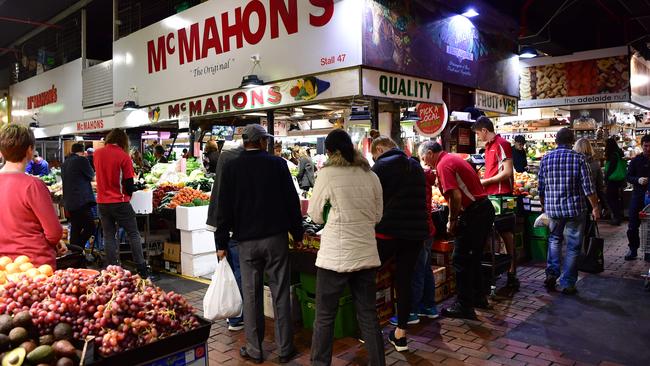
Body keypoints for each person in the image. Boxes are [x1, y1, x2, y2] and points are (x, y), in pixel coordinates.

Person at [214, 124, 302, 364]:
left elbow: (223, 208)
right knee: (280, 292)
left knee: (251, 295)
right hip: (275, 239)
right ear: (262, 141)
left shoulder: (232, 167)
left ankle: (255, 349)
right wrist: (298, 232)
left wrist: (220, 242)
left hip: (246, 241)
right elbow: (291, 202)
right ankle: (285, 349)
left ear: (245, 142)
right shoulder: (278, 164)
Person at [308, 129, 385, 366]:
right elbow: (378, 215)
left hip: (335, 258)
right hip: (366, 254)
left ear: (330, 152)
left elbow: (315, 215)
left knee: (324, 317)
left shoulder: (327, 174)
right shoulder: (370, 174)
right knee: (368, 316)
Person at [421, 141, 495, 319]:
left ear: (430, 153)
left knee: (461, 259)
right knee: (474, 257)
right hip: (482, 209)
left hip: (474, 213)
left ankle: (464, 305)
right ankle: (478, 298)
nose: (425, 163)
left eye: (424, 158)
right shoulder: (452, 159)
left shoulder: (444, 164)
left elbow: (455, 195)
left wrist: (451, 220)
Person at [371, 136, 429, 352]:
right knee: (404, 281)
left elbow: (371, 199)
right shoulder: (415, 165)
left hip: (388, 232)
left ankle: (368, 329)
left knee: (368, 276)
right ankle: (401, 334)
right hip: (414, 235)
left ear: (379, 149)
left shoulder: (380, 166)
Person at [539, 128, 599, 294]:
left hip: (554, 210)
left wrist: (545, 207)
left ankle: (551, 274)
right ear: (572, 141)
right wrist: (595, 207)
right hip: (575, 209)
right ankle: (568, 283)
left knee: (554, 240)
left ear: (556, 141)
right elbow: (588, 188)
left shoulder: (546, 159)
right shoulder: (579, 159)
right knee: (573, 247)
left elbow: (541, 188)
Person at [0, 124, 64, 267]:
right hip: (34, 266)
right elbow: (54, 232)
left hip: (4, 267)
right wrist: (55, 242)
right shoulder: (33, 185)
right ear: (29, 150)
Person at [389, 144, 439, 326]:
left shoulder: (410, 179)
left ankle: (411, 312)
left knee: (416, 271)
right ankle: (429, 307)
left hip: (418, 230)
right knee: (424, 269)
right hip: (427, 228)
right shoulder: (423, 177)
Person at [472, 116, 519, 290]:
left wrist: (485, 182)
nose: (478, 137)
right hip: (489, 195)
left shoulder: (502, 144)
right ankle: (497, 270)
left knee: (506, 232)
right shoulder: (488, 146)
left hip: (501, 195)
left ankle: (512, 272)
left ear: (484, 130)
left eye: (478, 133)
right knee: (492, 233)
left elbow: (507, 172)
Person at [94, 129, 149, 278]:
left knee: (109, 236)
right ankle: (141, 268)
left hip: (102, 202)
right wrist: (130, 193)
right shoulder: (123, 156)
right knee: (133, 234)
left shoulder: (97, 154)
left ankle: (112, 270)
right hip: (119, 202)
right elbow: (129, 185)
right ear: (123, 141)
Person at [206, 140, 245, 331]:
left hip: (222, 229)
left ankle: (233, 315)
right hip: (232, 231)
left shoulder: (222, 167)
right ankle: (236, 317)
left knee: (230, 269)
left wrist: (220, 244)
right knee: (237, 272)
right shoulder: (233, 166)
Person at [62, 143, 96, 251]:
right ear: (82, 152)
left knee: (76, 228)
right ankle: (79, 249)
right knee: (91, 227)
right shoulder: (82, 160)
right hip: (81, 201)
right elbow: (92, 176)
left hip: (69, 202)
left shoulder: (65, 163)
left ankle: (74, 255)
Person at [625, 134, 650, 261]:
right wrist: (638, 180)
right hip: (638, 196)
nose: (648, 149)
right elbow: (628, 176)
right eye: (646, 146)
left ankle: (648, 251)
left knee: (649, 226)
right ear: (642, 146)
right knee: (632, 225)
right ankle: (633, 249)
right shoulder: (636, 160)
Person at [574, 138, 606, 222]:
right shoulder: (595, 164)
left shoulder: (573, 162)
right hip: (591, 199)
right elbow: (600, 185)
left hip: (575, 199)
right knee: (589, 223)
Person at [605, 137, 625, 226]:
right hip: (618, 180)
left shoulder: (613, 155)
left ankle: (617, 218)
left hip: (612, 180)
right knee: (615, 199)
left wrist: (606, 178)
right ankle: (618, 217)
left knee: (610, 199)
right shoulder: (618, 153)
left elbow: (611, 169)